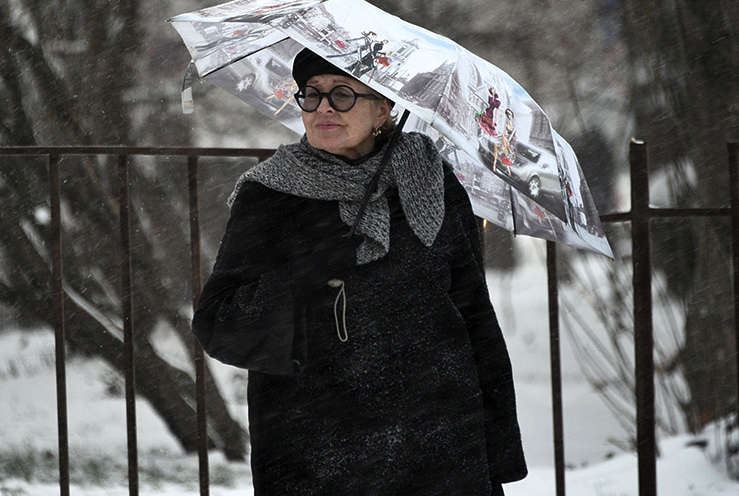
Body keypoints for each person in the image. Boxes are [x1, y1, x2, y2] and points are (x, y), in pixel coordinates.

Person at [193, 48, 526, 494]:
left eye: (343, 94)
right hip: (322, 439)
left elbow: (473, 312)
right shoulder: (270, 195)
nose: (324, 107)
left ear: (383, 109)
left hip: (437, 432)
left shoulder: (433, 181)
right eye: (311, 95)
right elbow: (220, 321)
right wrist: (310, 268)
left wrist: (497, 451)